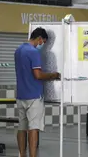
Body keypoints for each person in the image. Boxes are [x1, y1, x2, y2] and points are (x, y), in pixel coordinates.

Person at [15, 27, 60, 157]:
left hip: (21, 94)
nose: (42, 45)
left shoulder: (18, 50)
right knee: (33, 128)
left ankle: (22, 154)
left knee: (21, 127)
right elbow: (38, 75)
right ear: (39, 38)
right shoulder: (33, 52)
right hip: (34, 96)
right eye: (43, 42)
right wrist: (54, 75)